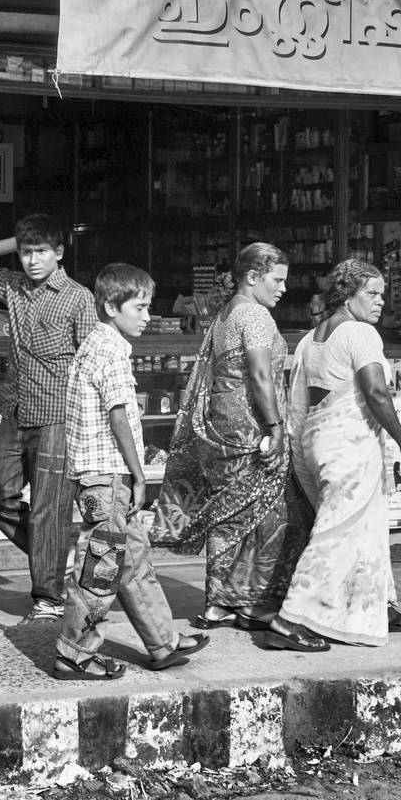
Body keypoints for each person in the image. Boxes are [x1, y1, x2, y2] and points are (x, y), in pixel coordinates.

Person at [53, 264, 209, 680]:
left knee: (133, 561)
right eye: (138, 308)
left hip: (102, 476)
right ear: (110, 306)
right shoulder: (112, 350)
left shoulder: (95, 344)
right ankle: (75, 655)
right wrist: (139, 475)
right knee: (99, 568)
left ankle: (162, 642)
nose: (145, 316)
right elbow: (119, 415)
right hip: (107, 476)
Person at [266, 259, 401, 653]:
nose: (380, 301)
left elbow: (298, 402)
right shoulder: (360, 333)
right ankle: (289, 620)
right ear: (347, 296)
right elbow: (376, 394)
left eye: (382, 293)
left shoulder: (311, 337)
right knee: (334, 533)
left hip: (321, 443)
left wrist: (300, 452)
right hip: (349, 447)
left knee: (366, 528)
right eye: (371, 293)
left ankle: (376, 604)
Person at [156, 243, 307, 631]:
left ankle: (220, 603)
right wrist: (275, 427)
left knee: (230, 517)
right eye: (278, 279)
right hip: (252, 432)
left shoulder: (226, 313)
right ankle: (255, 603)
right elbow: (259, 375)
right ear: (253, 277)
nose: (284, 289)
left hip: (222, 430)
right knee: (275, 517)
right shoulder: (255, 315)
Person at [0, 214, 97, 622]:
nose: (32, 260)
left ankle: (49, 598)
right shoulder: (14, 287)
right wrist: (15, 238)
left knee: (48, 511)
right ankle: (55, 555)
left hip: (57, 417)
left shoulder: (78, 297)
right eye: (25, 252)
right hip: (16, 411)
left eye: (40, 252)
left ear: (59, 253)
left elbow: (90, 363)